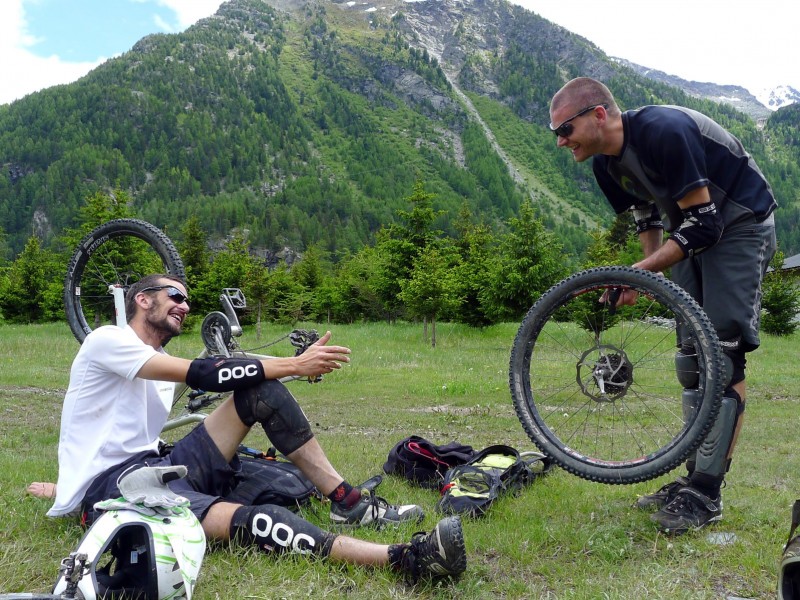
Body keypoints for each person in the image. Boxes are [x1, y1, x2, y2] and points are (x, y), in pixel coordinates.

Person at [39, 274, 467, 581]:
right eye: (174, 295)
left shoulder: (149, 370)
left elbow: (122, 432)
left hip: (159, 465)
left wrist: (58, 486)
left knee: (262, 390)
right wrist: (297, 364)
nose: (185, 305)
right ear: (143, 300)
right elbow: (204, 374)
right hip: (117, 490)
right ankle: (404, 559)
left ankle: (348, 500)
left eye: (187, 299)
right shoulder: (107, 340)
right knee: (259, 520)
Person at [549, 77, 777, 535]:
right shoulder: (604, 165)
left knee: (723, 354)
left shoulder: (664, 130)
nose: (560, 140)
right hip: (689, 231)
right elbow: (647, 216)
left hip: (737, 226)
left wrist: (644, 270)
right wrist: (642, 270)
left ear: (598, 115)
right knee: (692, 361)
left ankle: (707, 493)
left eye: (565, 128)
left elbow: (705, 224)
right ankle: (691, 478)